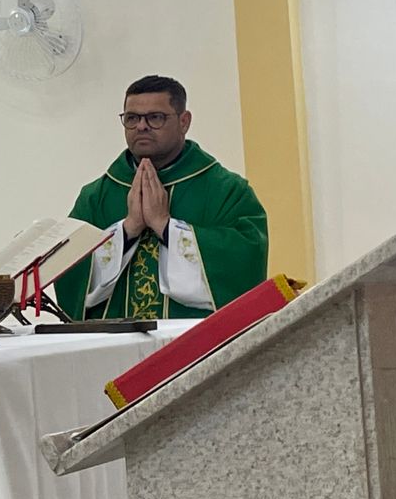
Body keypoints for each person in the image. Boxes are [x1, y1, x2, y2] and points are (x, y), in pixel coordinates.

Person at [56, 74, 268, 321]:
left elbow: (246, 259)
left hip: (196, 338)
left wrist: (166, 227)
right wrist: (127, 230)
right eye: (132, 118)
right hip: (111, 341)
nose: (141, 126)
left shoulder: (226, 191)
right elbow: (66, 272)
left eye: (155, 117)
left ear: (184, 122)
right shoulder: (95, 196)